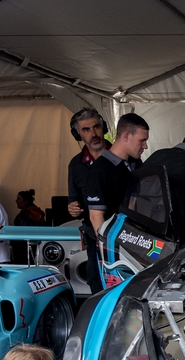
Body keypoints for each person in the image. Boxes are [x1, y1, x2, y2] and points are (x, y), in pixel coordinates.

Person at [85, 113, 149, 283]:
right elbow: (96, 216)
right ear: (126, 136)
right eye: (142, 140)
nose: (145, 146)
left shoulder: (136, 165)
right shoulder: (100, 170)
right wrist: (108, 252)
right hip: (106, 251)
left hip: (129, 246)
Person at [66, 108, 111, 294]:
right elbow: (73, 200)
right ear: (78, 134)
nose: (93, 133)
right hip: (94, 239)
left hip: (125, 237)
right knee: (97, 286)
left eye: (96, 127)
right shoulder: (76, 165)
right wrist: (72, 208)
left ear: (104, 128)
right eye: (86, 130)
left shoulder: (123, 157)